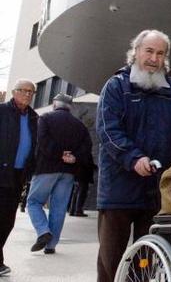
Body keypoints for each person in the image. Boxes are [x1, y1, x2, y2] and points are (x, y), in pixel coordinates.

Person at [95, 29, 171, 282]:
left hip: (156, 187)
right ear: (136, 52)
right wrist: (133, 158)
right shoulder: (116, 86)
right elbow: (108, 131)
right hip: (118, 188)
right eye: (149, 51)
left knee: (147, 258)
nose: (154, 58)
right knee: (112, 258)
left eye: (160, 53)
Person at [26, 93, 92, 254]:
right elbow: (87, 147)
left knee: (33, 202)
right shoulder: (80, 125)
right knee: (59, 208)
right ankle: (51, 246)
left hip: (46, 169)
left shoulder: (45, 118)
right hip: (68, 171)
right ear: (70, 106)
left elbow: (42, 141)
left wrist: (59, 155)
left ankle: (43, 231)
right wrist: (73, 157)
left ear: (55, 104)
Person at [0, 80, 38, 276]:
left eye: (31, 92)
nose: (27, 94)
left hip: (17, 176)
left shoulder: (34, 117)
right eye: (23, 90)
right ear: (14, 92)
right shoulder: (2, 112)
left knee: (7, 221)